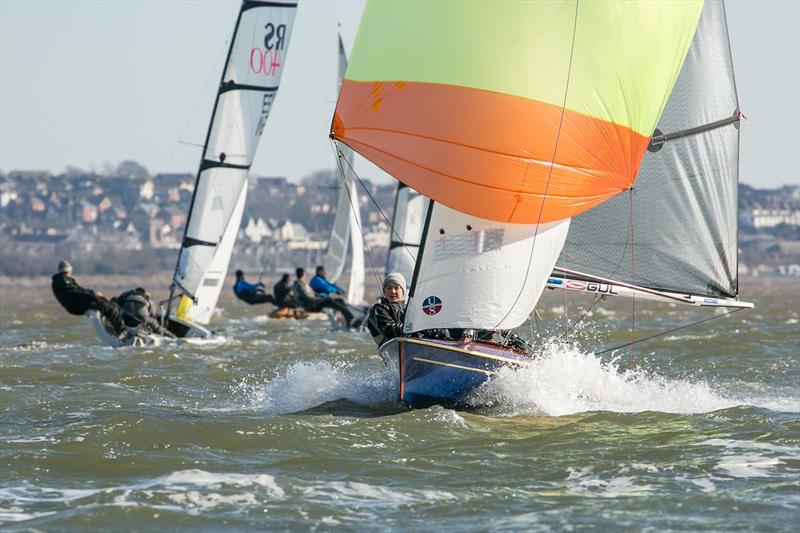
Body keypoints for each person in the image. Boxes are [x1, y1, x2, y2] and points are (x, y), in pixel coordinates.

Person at [50, 260, 127, 338]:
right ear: (68, 271)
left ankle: (118, 328)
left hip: (74, 304)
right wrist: (94, 295)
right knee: (106, 306)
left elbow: (79, 290)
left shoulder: (61, 280)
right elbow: (77, 292)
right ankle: (122, 332)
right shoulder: (63, 280)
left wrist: (95, 296)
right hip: (75, 305)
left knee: (108, 304)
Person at [293, 267, 358, 326]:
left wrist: (322, 297)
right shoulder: (299, 285)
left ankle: (348, 319)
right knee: (328, 300)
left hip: (314, 303)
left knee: (339, 300)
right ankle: (351, 318)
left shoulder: (302, 284)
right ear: (303, 274)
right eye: (305, 274)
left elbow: (314, 293)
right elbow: (308, 298)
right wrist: (322, 299)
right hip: (311, 306)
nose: (306, 276)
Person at [366, 272, 407, 346]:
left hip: (412, 343)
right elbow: (389, 330)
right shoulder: (378, 309)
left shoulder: (410, 309)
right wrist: (413, 329)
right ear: (384, 291)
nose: (393, 291)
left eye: (397, 288)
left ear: (403, 291)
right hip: (391, 346)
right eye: (389, 288)